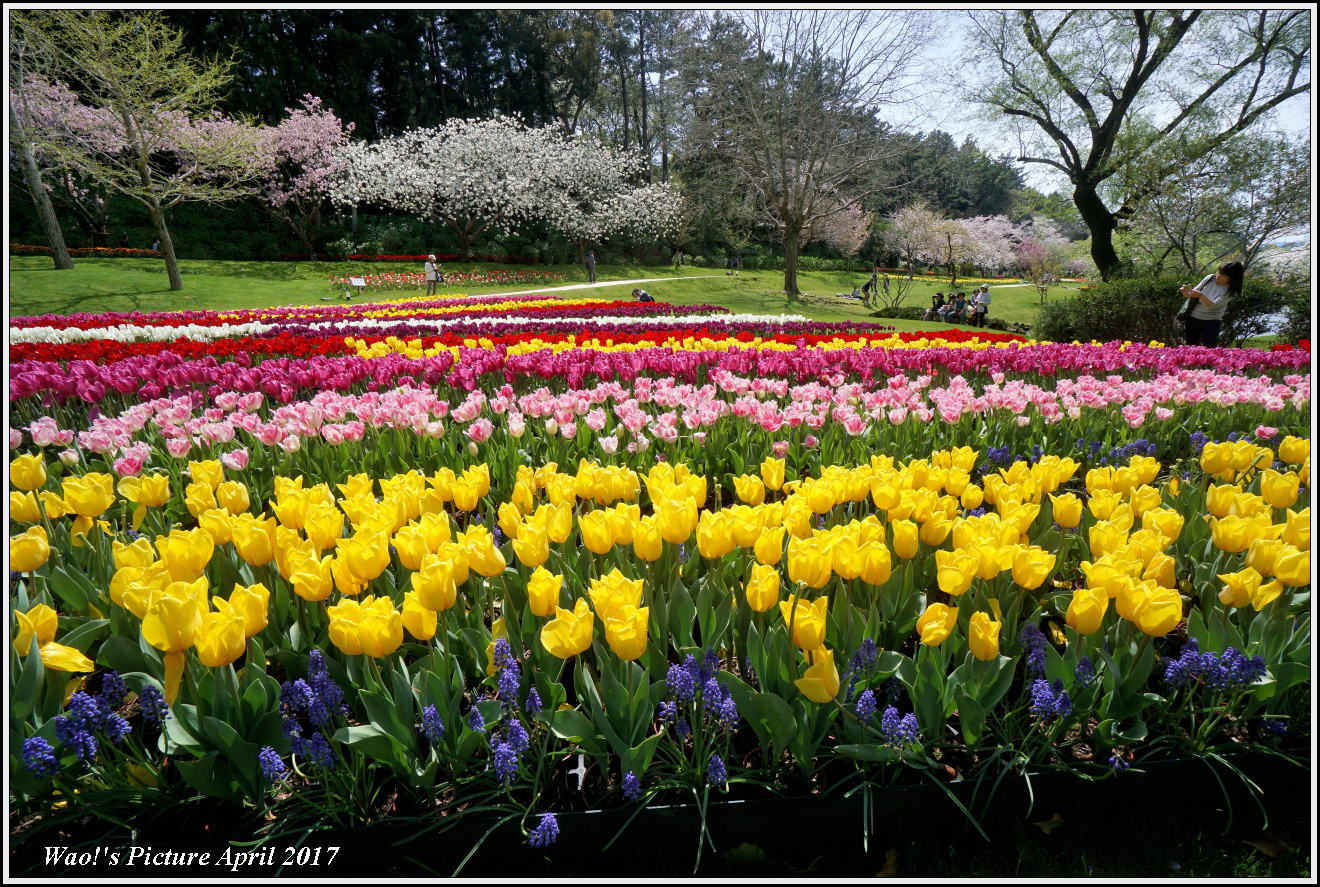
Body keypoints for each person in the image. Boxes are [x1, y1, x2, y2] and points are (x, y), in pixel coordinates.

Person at [1180, 261, 1243, 347]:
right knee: (1190, 348)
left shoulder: (1231, 291)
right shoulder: (1210, 278)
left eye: (1223, 274)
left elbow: (1212, 306)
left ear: (1232, 277)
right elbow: (1193, 295)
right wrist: (1186, 293)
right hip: (1193, 318)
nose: (1218, 275)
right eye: (1219, 272)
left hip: (1211, 322)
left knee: (1209, 350)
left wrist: (1201, 295)